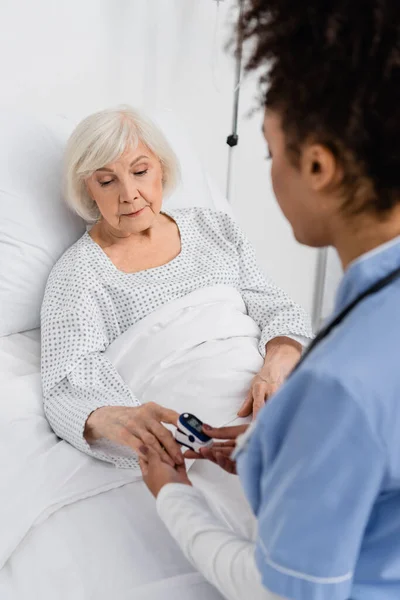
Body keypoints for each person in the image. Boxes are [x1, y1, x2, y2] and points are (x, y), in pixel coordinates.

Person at [139, 1, 400, 599]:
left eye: (270, 153)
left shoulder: (337, 387)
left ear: (317, 165)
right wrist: (275, 445)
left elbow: (279, 591)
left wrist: (172, 494)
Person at [40, 106, 312, 470]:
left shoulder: (214, 228)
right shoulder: (78, 273)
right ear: (87, 190)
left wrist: (279, 362)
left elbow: (273, 305)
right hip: (198, 427)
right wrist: (114, 420)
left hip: (273, 394)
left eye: (140, 171)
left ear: (162, 168)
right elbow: (66, 384)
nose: (129, 194)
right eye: (107, 181)